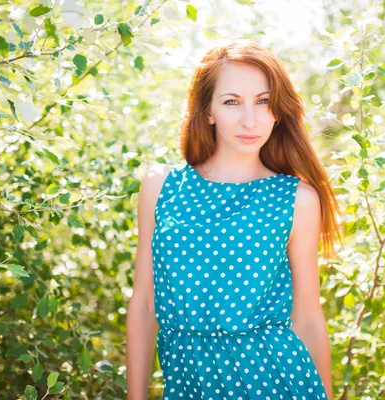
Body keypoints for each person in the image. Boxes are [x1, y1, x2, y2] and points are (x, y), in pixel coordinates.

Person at [126, 39, 342, 400]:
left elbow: (307, 318)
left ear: (277, 110)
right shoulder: (161, 186)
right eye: (231, 102)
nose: (250, 120)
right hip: (187, 385)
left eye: (263, 102)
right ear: (207, 110)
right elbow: (144, 303)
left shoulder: (297, 199)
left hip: (273, 383)